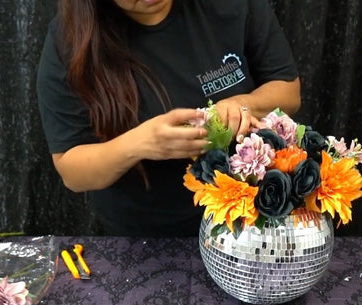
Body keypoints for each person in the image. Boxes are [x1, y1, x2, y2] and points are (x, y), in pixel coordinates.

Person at [37, 0, 301, 236]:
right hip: (143, 238)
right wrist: (140, 144)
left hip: (251, 221)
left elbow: (288, 91)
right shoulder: (70, 39)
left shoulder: (233, 7)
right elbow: (72, 172)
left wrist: (243, 104)